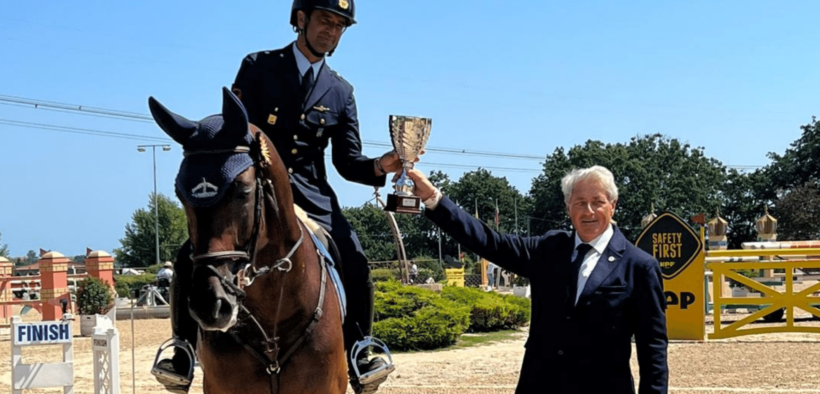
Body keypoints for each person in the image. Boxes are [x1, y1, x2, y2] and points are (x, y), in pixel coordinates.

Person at [152, 1, 402, 393]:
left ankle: (360, 349)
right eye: (325, 21)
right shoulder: (258, 66)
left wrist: (381, 165)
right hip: (257, 186)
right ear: (301, 20)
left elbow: (347, 162)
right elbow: (237, 131)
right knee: (190, 255)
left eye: (340, 26)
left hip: (310, 193)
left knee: (355, 257)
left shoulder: (341, 91)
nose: (331, 31)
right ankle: (182, 350)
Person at [404, 165, 669, 394]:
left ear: (613, 205)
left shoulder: (640, 266)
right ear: (568, 208)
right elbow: (488, 241)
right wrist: (433, 199)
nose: (588, 211)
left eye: (597, 202)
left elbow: (653, 348)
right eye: (579, 202)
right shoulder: (548, 249)